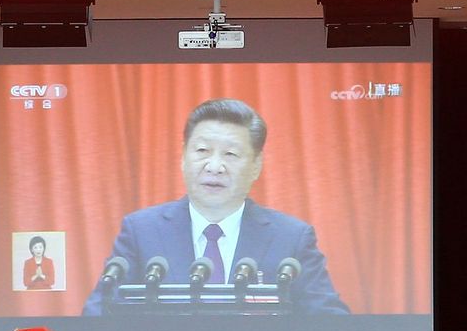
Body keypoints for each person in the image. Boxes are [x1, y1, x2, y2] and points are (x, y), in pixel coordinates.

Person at [82, 98, 348, 317]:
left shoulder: (291, 237)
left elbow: (331, 323)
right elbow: (98, 315)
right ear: (183, 157)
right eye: (202, 151)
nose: (214, 166)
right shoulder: (141, 231)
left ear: (256, 165)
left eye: (230, 155)